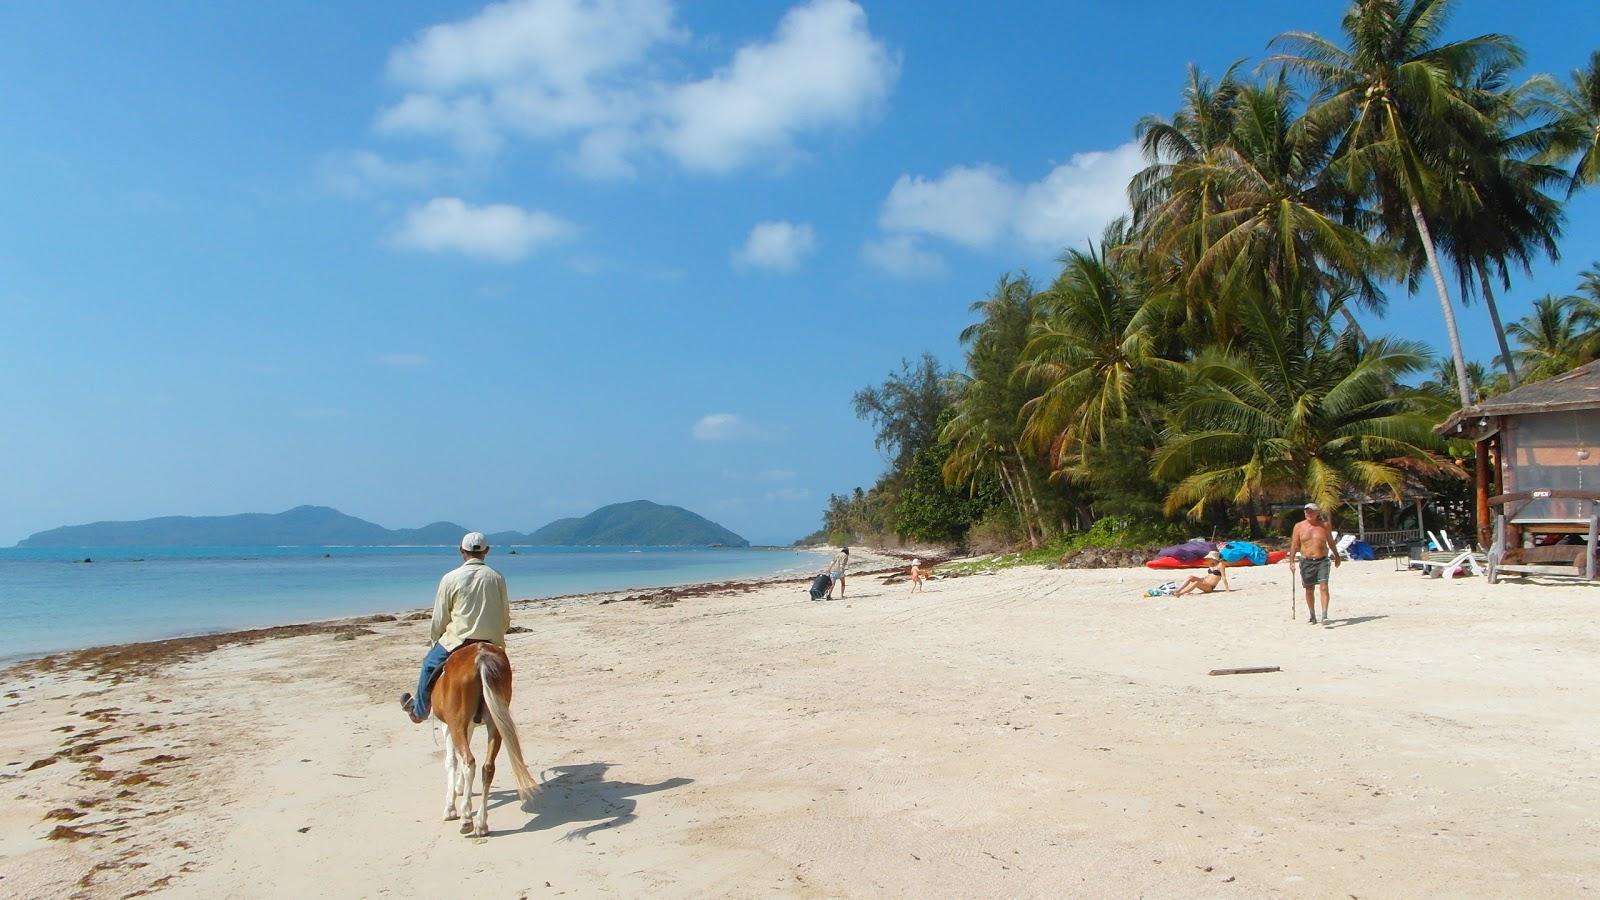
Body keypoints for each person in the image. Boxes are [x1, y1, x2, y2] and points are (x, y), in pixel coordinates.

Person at [400, 532, 511, 723]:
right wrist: (498, 635)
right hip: (492, 641)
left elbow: (440, 617)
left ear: (461, 550)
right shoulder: (497, 577)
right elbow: (504, 614)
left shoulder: (451, 578)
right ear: (486, 551)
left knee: (428, 665)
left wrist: (436, 639)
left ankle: (419, 711)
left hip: (459, 640)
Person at [1287, 502, 1342, 625]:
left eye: (1311, 511)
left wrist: (1337, 556)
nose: (1308, 513)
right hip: (1306, 561)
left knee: (1323, 586)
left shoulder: (1324, 526)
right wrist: (1291, 561)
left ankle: (1324, 615)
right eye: (1306, 511)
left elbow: (1331, 542)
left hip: (1322, 560)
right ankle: (1312, 615)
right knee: (1309, 589)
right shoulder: (1299, 526)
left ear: (1317, 513)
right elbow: (1294, 545)